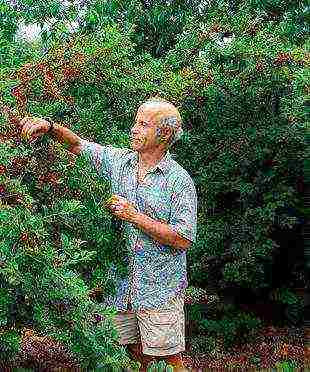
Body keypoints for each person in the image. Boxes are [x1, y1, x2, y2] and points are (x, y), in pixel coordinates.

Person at [20, 97, 197, 372]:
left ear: (164, 135)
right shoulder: (120, 163)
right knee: (132, 353)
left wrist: (133, 216)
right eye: (135, 122)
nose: (134, 129)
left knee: (169, 361)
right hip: (123, 286)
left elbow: (183, 238)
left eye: (143, 124)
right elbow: (78, 145)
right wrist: (50, 127)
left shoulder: (178, 180)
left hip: (158, 289)